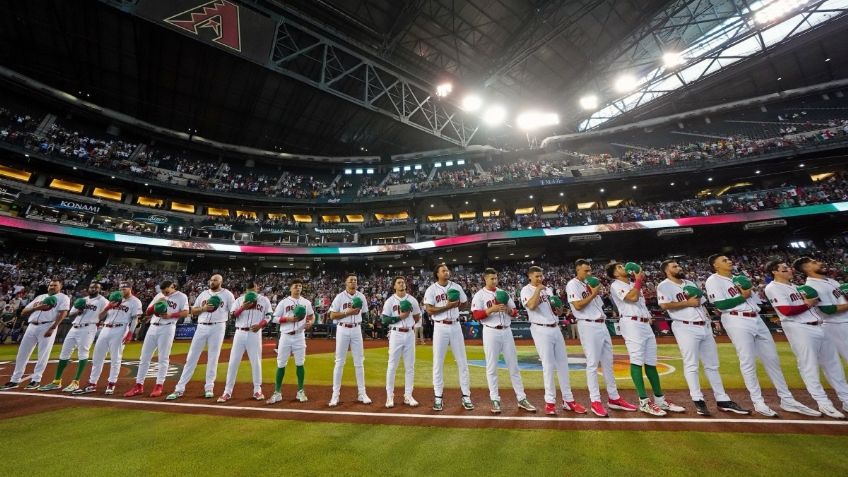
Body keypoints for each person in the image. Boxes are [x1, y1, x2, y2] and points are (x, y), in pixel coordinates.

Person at [705, 254, 811, 417]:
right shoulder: (713, 280)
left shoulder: (740, 278)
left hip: (756, 318)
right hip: (736, 319)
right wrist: (743, 295)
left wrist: (748, 292)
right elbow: (720, 305)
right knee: (747, 361)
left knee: (773, 360)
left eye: (729, 259)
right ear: (715, 265)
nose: (729, 261)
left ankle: (787, 399)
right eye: (724, 260)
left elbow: (756, 300)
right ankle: (758, 402)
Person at [656, 260, 747, 416]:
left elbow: (701, 303)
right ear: (666, 271)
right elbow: (664, 305)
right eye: (674, 266)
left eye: (679, 265)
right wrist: (687, 302)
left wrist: (709, 318)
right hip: (685, 326)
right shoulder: (663, 285)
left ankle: (722, 399)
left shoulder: (689, 282)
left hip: (704, 325)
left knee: (712, 365)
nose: (679, 267)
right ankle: (698, 400)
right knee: (691, 364)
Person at [764, 260, 848, 418]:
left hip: (819, 325)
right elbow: (786, 310)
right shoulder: (773, 287)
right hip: (799, 328)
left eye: (788, 268)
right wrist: (808, 304)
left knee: (834, 365)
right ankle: (824, 403)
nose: (789, 270)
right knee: (809, 366)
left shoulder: (795, 286)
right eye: (784, 269)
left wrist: (809, 303)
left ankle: (846, 399)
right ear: (775, 272)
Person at [606, 262, 685, 416]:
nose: (624, 268)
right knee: (636, 360)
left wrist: (636, 280)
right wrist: (638, 280)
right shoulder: (615, 284)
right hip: (631, 323)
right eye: (620, 267)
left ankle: (660, 400)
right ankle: (644, 402)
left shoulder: (631, 283)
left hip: (644, 324)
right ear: (615, 274)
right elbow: (633, 297)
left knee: (651, 362)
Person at [566, 259, 637, 417]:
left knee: (608, 363)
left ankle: (614, 398)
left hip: (601, 324)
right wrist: (593, 293)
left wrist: (594, 291)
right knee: (592, 364)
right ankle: (595, 401)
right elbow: (577, 306)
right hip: (588, 325)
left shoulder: (589, 283)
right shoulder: (572, 284)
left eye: (590, 270)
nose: (589, 273)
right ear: (577, 270)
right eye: (586, 271)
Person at [521, 266, 586, 416]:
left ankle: (568, 400)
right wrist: (538, 289)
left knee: (563, 365)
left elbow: (557, 309)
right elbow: (531, 306)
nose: (540, 278)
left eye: (541, 276)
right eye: (537, 276)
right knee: (548, 366)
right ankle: (550, 402)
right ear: (530, 276)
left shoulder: (548, 290)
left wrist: (559, 309)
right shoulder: (526, 290)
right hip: (540, 328)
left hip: (555, 326)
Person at [471, 268, 536, 414]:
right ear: (485, 279)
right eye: (492, 279)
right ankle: (495, 399)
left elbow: (515, 312)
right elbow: (475, 315)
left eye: (496, 278)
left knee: (514, 367)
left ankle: (521, 398)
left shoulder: (504, 293)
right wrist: (490, 310)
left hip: (507, 331)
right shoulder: (479, 295)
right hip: (490, 331)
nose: (495, 281)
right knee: (492, 367)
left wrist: (507, 310)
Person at [169, 274, 235, 400]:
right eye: (211, 280)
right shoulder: (204, 294)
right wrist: (204, 308)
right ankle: (179, 388)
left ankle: (209, 387)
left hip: (218, 326)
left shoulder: (227, 295)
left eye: (215, 280)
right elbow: (193, 310)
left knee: (213, 358)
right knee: (191, 357)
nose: (212, 282)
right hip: (201, 326)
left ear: (221, 281)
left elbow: (232, 311)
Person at [38, 282, 109, 393]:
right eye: (91, 287)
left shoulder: (103, 301)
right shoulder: (83, 299)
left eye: (96, 287)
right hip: (74, 327)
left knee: (83, 353)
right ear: (88, 288)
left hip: (88, 328)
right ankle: (56, 381)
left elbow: (104, 315)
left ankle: (76, 382)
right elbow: (70, 314)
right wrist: (79, 310)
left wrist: (100, 316)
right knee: (64, 353)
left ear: (100, 289)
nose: (93, 289)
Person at [0, 279, 69, 390]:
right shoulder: (40, 297)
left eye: (55, 285)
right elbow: (24, 312)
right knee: (22, 353)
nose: (52, 287)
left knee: (43, 354)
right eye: (51, 285)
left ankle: (36, 380)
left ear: (60, 286)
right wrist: (38, 307)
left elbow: (63, 312)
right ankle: (15, 380)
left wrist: (53, 327)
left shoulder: (63, 297)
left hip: (47, 325)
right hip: (32, 326)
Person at [124, 280, 189, 398]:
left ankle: (159, 386)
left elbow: (185, 313)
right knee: (144, 357)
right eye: (163, 292)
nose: (165, 294)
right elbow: (148, 312)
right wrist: (157, 302)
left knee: (163, 358)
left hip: (167, 328)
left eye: (167, 291)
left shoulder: (181, 296)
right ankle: (138, 385)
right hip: (153, 327)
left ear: (173, 287)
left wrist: (171, 315)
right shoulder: (159, 295)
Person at [75, 282, 142, 395]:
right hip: (105, 328)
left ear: (130, 289)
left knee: (115, 358)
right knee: (97, 357)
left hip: (120, 329)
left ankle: (111, 384)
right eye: (121, 288)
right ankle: (92, 383)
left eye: (124, 288)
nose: (122, 290)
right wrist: (108, 307)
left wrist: (130, 333)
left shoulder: (135, 301)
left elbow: (135, 319)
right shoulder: (113, 298)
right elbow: (99, 317)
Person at [423, 263, 473, 411]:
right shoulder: (431, 289)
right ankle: (438, 397)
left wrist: (458, 304)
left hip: (456, 326)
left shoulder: (456, 286)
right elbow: (430, 310)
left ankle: (466, 396)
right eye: (443, 270)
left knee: (462, 362)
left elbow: (465, 305)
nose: (447, 272)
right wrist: (448, 306)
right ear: (437, 274)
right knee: (438, 363)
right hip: (440, 327)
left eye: (447, 270)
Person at [217, 281, 272, 403]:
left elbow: (269, 316)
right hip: (240, 332)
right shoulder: (239, 300)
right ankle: (227, 391)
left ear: (257, 288)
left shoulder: (264, 300)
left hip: (255, 333)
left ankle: (257, 390)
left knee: (256, 362)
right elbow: (232, 316)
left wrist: (260, 325)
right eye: (249, 288)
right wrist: (243, 307)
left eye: (253, 287)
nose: (251, 290)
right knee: (233, 363)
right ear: (246, 289)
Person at [268, 279, 314, 404]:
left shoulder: (306, 302)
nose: (298, 288)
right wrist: (289, 319)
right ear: (290, 288)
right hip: (286, 336)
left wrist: (311, 322)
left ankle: (300, 391)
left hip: (299, 336)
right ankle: (277, 392)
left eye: (300, 286)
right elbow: (274, 319)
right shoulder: (284, 302)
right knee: (281, 364)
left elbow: (311, 315)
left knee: (300, 363)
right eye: (295, 286)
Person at [794, 257, 848, 363]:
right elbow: (828, 309)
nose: (820, 262)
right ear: (806, 268)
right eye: (814, 262)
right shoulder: (813, 286)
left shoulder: (830, 280)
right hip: (836, 325)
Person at [328, 273, 371, 406]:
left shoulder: (361, 296)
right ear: (346, 283)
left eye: (355, 280)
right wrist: (347, 312)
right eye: (351, 280)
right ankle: (335, 395)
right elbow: (332, 315)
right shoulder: (340, 297)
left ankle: (362, 393)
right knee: (339, 362)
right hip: (342, 329)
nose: (353, 282)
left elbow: (365, 314)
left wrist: (365, 319)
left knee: (359, 362)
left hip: (357, 329)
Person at [381, 276, 421, 408]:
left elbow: (416, 316)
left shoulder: (412, 300)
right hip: (396, 333)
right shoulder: (390, 301)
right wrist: (400, 317)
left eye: (403, 282)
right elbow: (385, 320)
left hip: (409, 333)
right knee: (392, 366)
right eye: (399, 282)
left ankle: (408, 396)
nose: (402, 284)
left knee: (410, 366)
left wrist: (408, 322)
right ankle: (389, 396)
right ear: (394, 286)